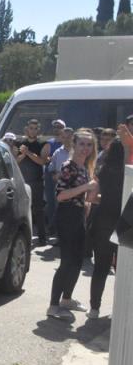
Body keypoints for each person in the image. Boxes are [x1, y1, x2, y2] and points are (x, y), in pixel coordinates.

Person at [47, 129, 98, 319]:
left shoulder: (85, 167)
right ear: (74, 145)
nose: (85, 148)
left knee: (77, 261)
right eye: (82, 144)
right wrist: (86, 188)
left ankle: (66, 299)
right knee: (67, 262)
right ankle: (53, 306)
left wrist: (89, 199)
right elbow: (61, 196)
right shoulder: (69, 166)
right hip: (66, 216)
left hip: (77, 216)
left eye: (89, 144)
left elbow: (83, 195)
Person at [87, 139, 125, 318]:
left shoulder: (103, 171)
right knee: (123, 269)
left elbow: (93, 198)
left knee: (101, 267)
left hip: (103, 220)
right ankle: (120, 309)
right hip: (124, 223)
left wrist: (105, 198)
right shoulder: (128, 172)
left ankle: (94, 308)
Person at [17, 119, 48, 246]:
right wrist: (23, 154)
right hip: (22, 181)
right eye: (31, 128)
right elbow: (15, 160)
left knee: (38, 210)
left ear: (38, 130)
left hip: (36, 182)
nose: (33, 130)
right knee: (21, 209)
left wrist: (28, 152)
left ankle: (42, 237)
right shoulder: (20, 143)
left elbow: (42, 161)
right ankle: (23, 236)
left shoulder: (43, 143)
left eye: (35, 128)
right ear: (27, 129)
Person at [44, 120, 66, 238]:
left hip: (64, 176)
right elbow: (44, 158)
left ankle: (58, 228)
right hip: (51, 175)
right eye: (55, 127)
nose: (57, 128)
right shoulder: (50, 143)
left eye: (60, 127)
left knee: (60, 202)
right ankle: (52, 228)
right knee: (51, 202)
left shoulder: (69, 143)